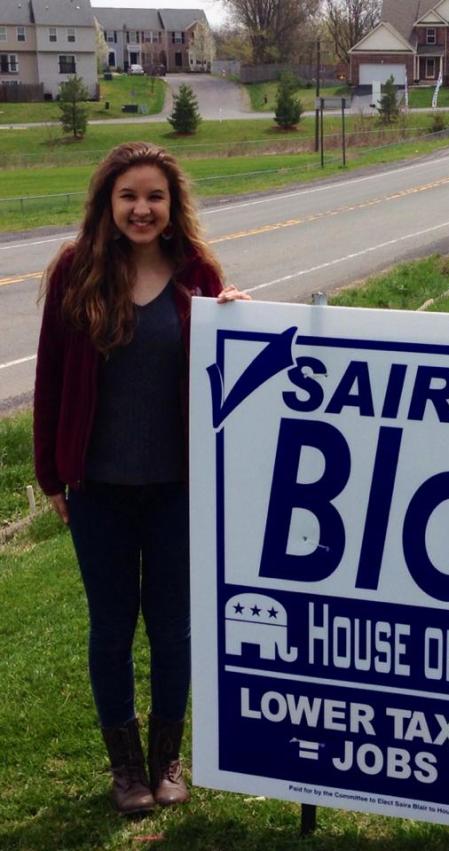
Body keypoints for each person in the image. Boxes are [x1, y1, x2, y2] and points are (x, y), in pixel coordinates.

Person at [33, 141, 250, 815]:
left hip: (178, 489)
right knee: (111, 627)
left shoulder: (197, 273)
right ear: (108, 202)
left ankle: (167, 760)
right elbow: (50, 378)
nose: (142, 208)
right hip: (98, 489)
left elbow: (229, 368)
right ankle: (126, 770)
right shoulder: (75, 271)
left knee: (173, 627)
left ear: (172, 204)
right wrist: (51, 475)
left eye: (155, 196)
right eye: (128, 195)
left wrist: (239, 317)